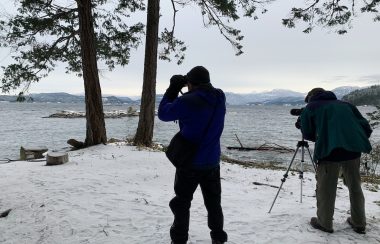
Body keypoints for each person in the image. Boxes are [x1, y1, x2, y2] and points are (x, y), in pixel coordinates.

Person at [158, 66, 228, 244]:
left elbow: (163, 113)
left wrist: (173, 88)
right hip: (212, 161)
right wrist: (189, 83)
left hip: (190, 162)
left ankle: (179, 240)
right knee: (213, 204)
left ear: (191, 83)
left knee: (182, 203)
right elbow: (203, 93)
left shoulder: (188, 101)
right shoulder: (220, 97)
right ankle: (218, 238)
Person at [300, 88, 372, 234]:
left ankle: (324, 223)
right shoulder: (346, 105)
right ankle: (359, 223)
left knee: (326, 188)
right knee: (355, 186)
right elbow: (366, 127)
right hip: (353, 150)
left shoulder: (312, 107)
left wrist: (319, 133)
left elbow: (307, 132)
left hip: (329, 151)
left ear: (311, 97)